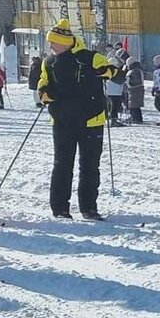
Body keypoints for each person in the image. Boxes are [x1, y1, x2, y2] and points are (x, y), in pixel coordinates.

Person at [37, 18, 120, 220]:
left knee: (90, 165)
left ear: (66, 42)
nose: (51, 46)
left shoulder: (90, 57)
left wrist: (106, 71)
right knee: (62, 164)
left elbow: (115, 73)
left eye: (53, 42)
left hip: (92, 119)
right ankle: (60, 208)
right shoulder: (49, 62)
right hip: (62, 120)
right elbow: (41, 86)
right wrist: (46, 94)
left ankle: (89, 207)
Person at [103, 58, 126, 127]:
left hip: (108, 91)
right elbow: (124, 80)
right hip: (117, 92)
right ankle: (114, 120)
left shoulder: (106, 70)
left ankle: (108, 119)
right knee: (115, 107)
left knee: (109, 106)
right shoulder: (118, 71)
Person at [124, 58, 145, 123]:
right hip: (133, 89)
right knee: (132, 104)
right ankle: (134, 116)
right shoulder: (133, 70)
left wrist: (128, 81)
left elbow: (137, 81)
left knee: (134, 105)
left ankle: (137, 118)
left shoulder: (136, 70)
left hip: (136, 89)